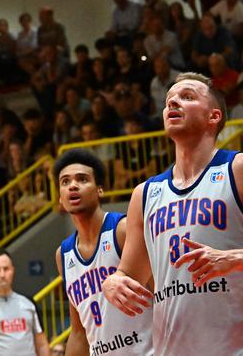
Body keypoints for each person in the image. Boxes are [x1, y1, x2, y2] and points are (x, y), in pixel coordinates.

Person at [102, 72, 243, 354]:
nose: (173, 103)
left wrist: (234, 258)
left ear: (214, 117)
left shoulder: (237, 170)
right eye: (169, 101)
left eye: (187, 97)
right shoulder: (145, 193)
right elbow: (129, 274)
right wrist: (112, 282)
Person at [53, 149, 152, 355]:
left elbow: (162, 295)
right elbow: (79, 332)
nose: (73, 185)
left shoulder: (122, 230)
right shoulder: (63, 255)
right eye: (65, 182)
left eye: (82, 179)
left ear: (99, 190)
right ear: (60, 198)